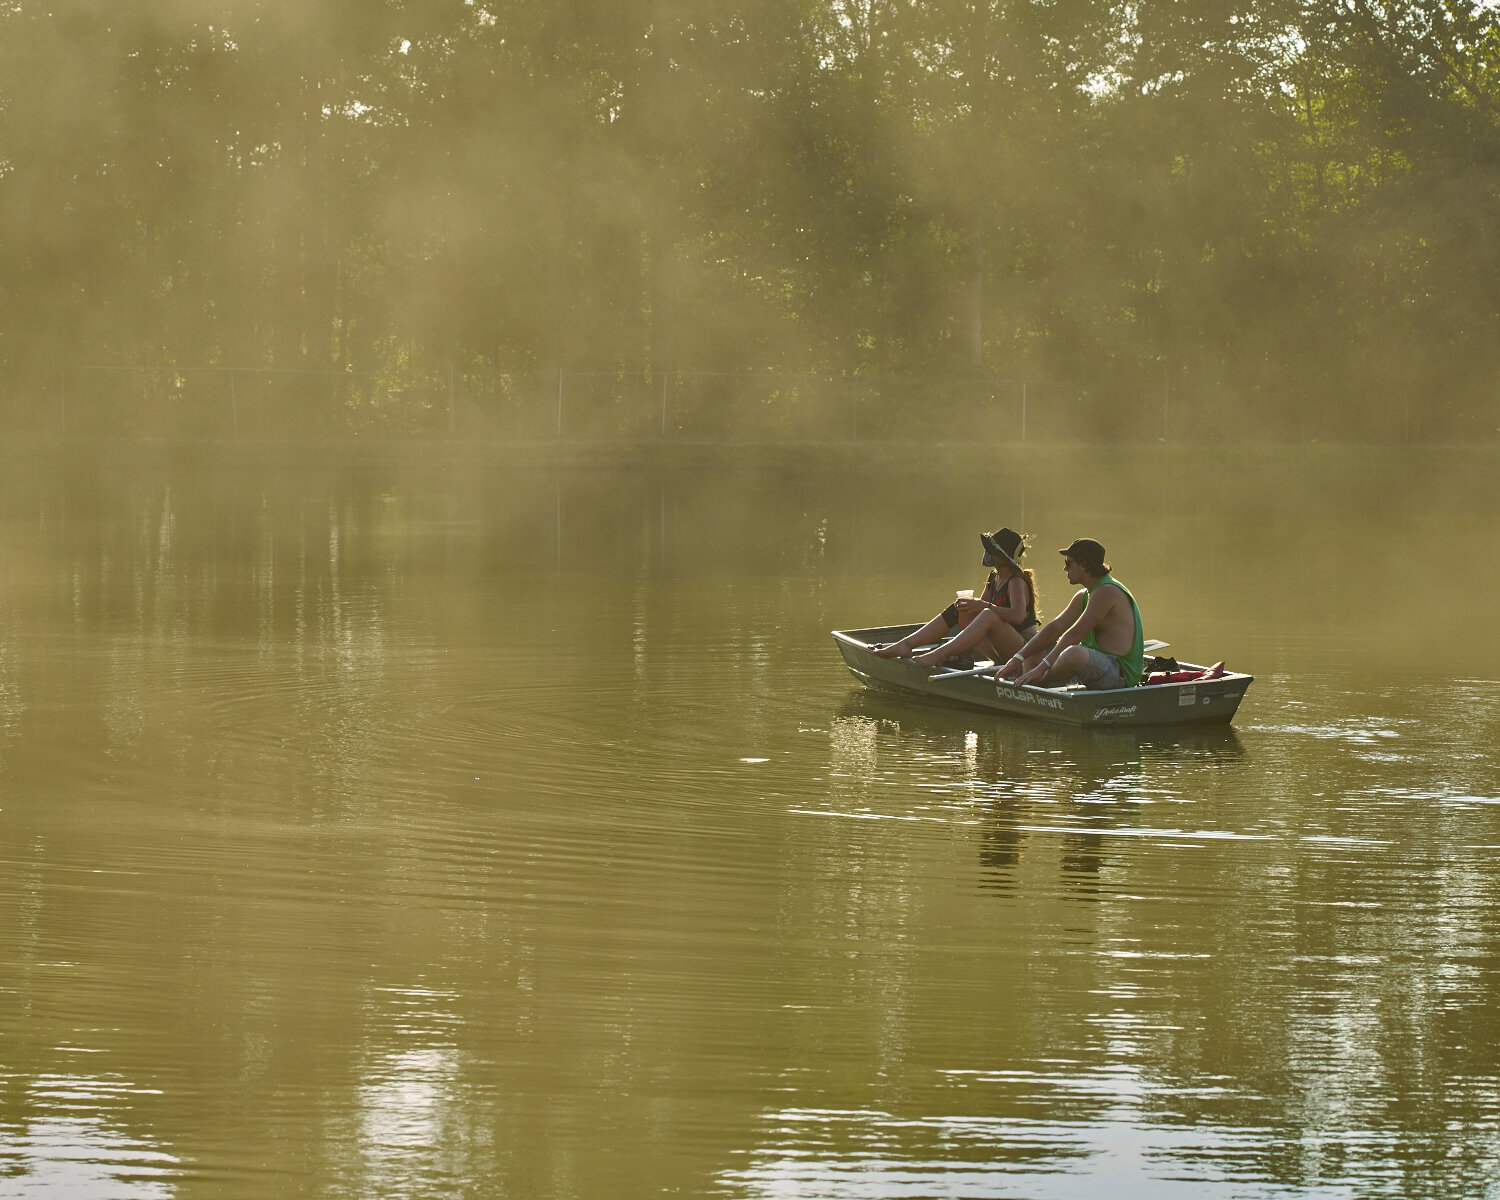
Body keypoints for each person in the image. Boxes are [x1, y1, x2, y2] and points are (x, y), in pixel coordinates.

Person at [994, 538, 1144, 690]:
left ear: (1085, 565)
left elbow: (1075, 634)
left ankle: (1037, 681)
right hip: (1096, 666)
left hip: (1118, 674)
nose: (1065, 569)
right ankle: (1035, 680)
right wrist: (1017, 657)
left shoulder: (1107, 592)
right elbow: (1055, 627)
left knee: (1073, 653)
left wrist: (1041, 669)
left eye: (1068, 563)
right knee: (1037, 643)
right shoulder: (1084, 595)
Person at [875, 527, 1041, 665]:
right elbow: (979, 612)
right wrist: (970, 605)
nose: (987, 552)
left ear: (1002, 555)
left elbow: (1017, 616)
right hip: (1002, 650)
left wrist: (984, 606)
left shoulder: (1016, 581)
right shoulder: (994, 577)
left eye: (992, 549)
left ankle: (939, 655)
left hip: (1025, 651)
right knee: (962, 609)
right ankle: (906, 644)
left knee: (988, 615)